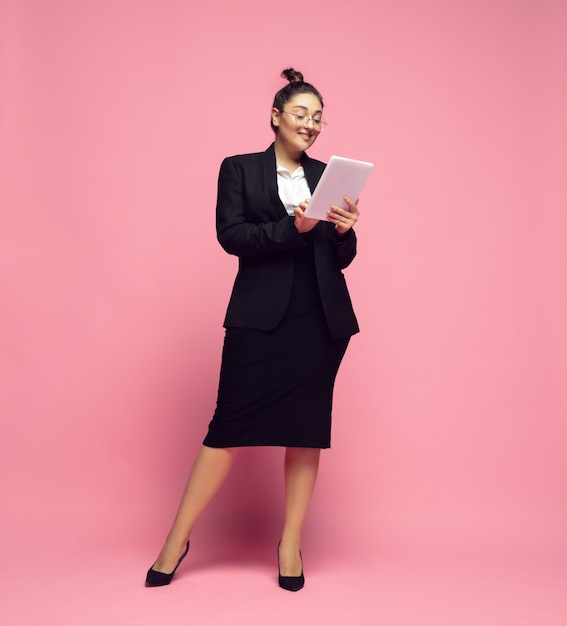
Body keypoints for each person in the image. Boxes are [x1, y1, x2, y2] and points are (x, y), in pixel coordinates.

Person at [145, 68, 360, 592]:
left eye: (317, 117)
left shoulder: (327, 174)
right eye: (300, 114)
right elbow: (232, 235)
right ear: (276, 117)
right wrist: (296, 226)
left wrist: (344, 232)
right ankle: (177, 538)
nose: (310, 124)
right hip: (259, 317)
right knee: (227, 428)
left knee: (307, 429)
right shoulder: (239, 169)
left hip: (320, 318)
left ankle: (290, 543)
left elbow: (341, 258)